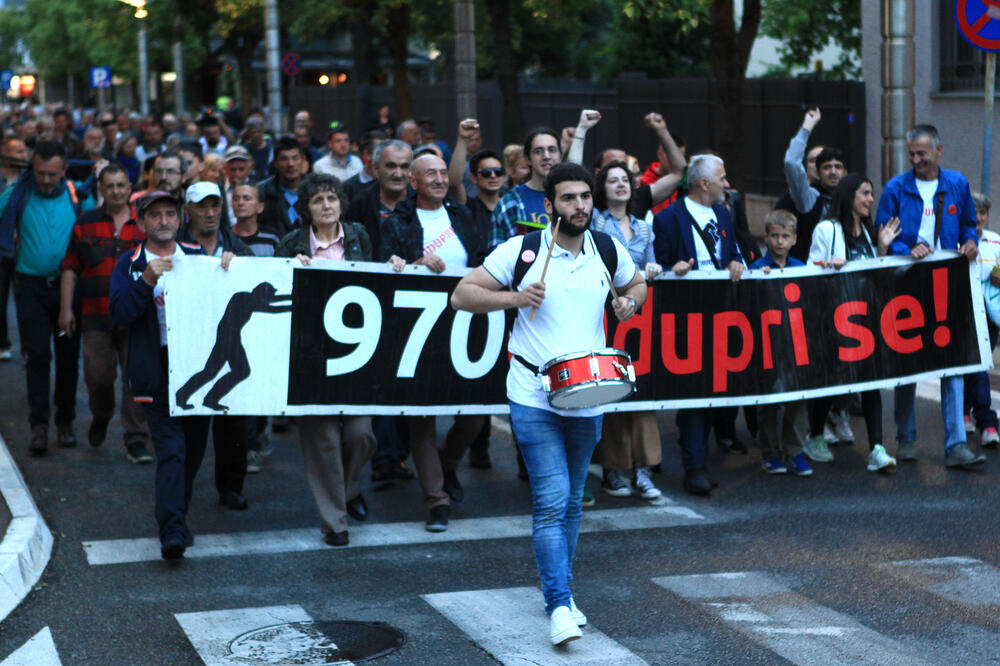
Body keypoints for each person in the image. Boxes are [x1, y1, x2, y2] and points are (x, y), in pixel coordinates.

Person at [451, 162, 646, 646]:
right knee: (552, 499)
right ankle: (559, 604)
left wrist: (630, 304)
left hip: (590, 391)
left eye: (585, 197)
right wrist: (516, 297)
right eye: (568, 199)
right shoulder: (524, 250)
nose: (579, 206)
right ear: (549, 206)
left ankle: (563, 590)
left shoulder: (605, 247)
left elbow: (638, 283)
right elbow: (462, 295)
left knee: (574, 501)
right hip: (533, 392)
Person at [381, 154, 487, 532]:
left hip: (466, 325)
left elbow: (483, 259)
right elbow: (384, 269)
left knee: (475, 412)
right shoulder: (399, 220)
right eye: (431, 174)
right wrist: (415, 261)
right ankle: (436, 501)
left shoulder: (461, 215)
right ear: (413, 180)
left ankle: (447, 463)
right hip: (417, 329)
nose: (441, 179)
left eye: (444, 173)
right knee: (422, 417)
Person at [275, 173, 377, 546]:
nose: (327, 205)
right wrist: (290, 270)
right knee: (323, 442)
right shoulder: (290, 244)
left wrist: (397, 265)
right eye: (318, 200)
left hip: (355, 354)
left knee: (360, 434)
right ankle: (335, 523)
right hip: (310, 356)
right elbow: (274, 293)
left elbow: (378, 279)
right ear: (307, 209)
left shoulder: (359, 236)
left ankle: (348, 490)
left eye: (332, 197)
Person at [875, 124, 985, 468]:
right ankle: (906, 438)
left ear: (938, 151)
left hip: (947, 284)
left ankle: (955, 446)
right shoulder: (896, 188)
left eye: (921, 153)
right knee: (908, 360)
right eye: (911, 153)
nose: (915, 159)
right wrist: (907, 247)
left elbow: (969, 224)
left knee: (953, 362)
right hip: (908, 283)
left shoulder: (957, 184)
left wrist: (970, 243)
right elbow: (884, 233)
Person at [653, 154, 745, 495]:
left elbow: (734, 251)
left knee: (713, 391)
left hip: (722, 315)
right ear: (704, 183)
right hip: (686, 318)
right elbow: (656, 268)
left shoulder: (724, 212)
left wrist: (736, 262)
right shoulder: (668, 219)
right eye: (722, 176)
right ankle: (695, 466)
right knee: (695, 392)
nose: (726, 181)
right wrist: (672, 269)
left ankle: (697, 451)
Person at [0, 141, 92, 455]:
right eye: (40, 173)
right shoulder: (18, 194)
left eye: (52, 174)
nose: (46, 180)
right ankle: (39, 427)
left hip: (70, 289)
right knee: (37, 358)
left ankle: (64, 423)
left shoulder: (79, 193)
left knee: (68, 358)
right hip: (31, 290)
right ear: (32, 168)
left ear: (64, 170)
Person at [805, 175, 901, 471]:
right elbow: (809, 272)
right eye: (866, 194)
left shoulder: (871, 232)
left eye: (871, 194)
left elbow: (875, 273)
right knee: (833, 380)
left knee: (871, 380)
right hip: (835, 318)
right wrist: (828, 266)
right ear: (849, 196)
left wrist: (883, 249)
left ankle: (877, 449)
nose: (871, 200)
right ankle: (816, 435)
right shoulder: (827, 230)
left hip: (866, 319)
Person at [58, 163, 152, 462]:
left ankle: (136, 439)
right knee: (98, 379)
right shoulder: (85, 223)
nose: (115, 191)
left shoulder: (144, 224)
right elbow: (70, 268)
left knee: (135, 379)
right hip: (95, 316)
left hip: (136, 316)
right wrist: (65, 310)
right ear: (100, 189)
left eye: (120, 185)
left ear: (129, 187)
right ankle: (101, 415)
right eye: (109, 186)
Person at [591, 158, 667, 500]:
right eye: (613, 180)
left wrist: (653, 267)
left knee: (641, 389)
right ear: (602, 188)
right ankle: (614, 468)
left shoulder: (645, 226)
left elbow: (648, 264)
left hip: (637, 315)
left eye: (626, 179)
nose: (621, 185)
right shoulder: (593, 221)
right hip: (600, 315)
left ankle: (643, 469)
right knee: (610, 388)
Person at [176, 181, 253, 510]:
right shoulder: (174, 246)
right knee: (191, 427)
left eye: (214, 206)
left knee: (234, 421)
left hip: (227, 334)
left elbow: (253, 284)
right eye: (201, 206)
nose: (209, 213)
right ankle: (182, 489)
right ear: (188, 210)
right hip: (189, 336)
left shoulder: (239, 247)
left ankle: (231, 486)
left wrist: (240, 267)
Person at [749, 211, 810, 476]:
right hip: (768, 343)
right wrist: (758, 279)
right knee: (769, 401)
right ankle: (771, 452)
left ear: (795, 239)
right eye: (775, 236)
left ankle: (795, 450)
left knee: (798, 398)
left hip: (795, 343)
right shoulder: (756, 268)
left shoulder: (802, 268)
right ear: (766, 237)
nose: (780, 242)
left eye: (785, 236)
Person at [780, 108, 844, 263]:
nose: (833, 172)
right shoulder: (810, 199)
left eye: (838, 166)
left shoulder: (854, 196)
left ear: (845, 171)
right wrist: (806, 128)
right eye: (827, 167)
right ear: (818, 171)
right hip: (813, 272)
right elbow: (791, 163)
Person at [966, 191, 1000, 446]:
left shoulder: (995, 241)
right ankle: (986, 421)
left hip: (988, 315)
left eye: (983, 212)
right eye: (974, 211)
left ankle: (972, 414)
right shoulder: (953, 239)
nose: (978, 217)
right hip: (961, 313)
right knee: (969, 366)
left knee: (980, 364)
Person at [490, 129, 562, 247]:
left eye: (552, 150)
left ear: (560, 155)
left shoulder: (576, 200)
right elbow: (495, 257)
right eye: (539, 151)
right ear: (528, 158)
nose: (546, 156)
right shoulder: (509, 203)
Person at [0, 136, 29, 362]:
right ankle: (2, 343)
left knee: (25, 301)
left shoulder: (30, 181)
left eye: (22, 151)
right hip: (2, 249)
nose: (21, 156)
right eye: (16, 151)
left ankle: (29, 346)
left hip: (23, 249)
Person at [259, 136, 307, 238]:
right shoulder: (262, 192)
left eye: (295, 158)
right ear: (275, 163)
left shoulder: (316, 190)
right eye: (284, 159)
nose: (290, 164)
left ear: (303, 160)